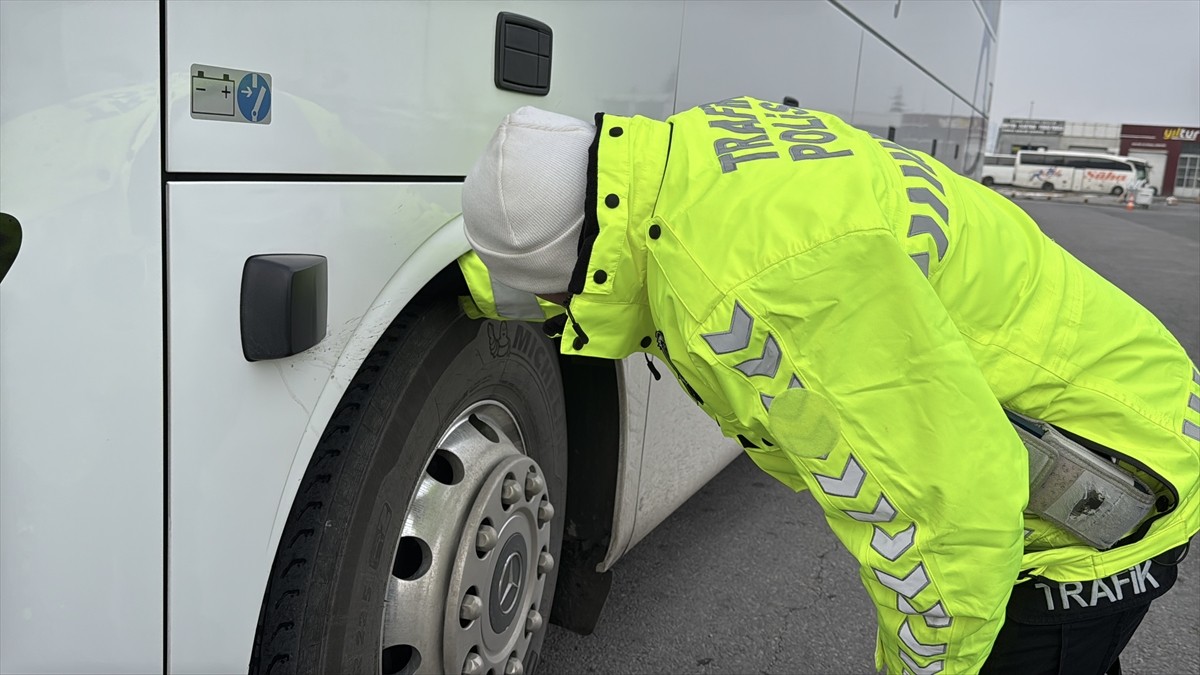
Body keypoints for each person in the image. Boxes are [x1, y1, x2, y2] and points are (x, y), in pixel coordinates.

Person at [457, 98, 1199, 673]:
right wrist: (488, 281)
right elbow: (562, 247)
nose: (554, 310)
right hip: (1127, 388)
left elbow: (951, 523)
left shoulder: (762, 297)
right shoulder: (685, 159)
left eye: (553, 298)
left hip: (1107, 487)